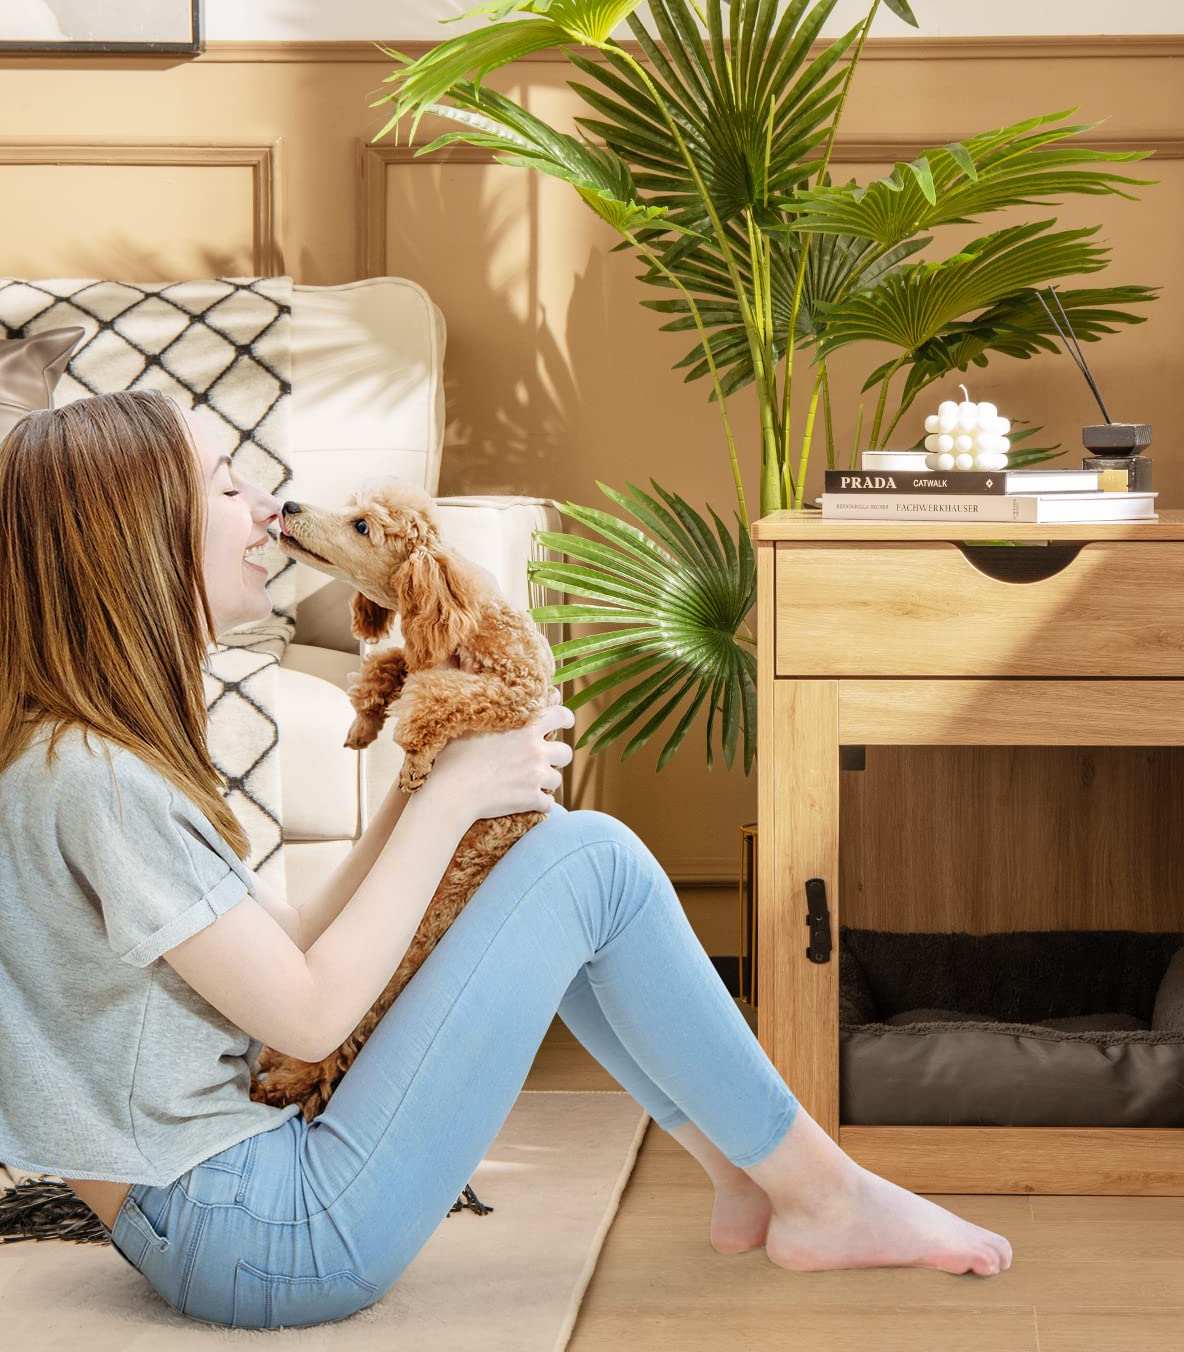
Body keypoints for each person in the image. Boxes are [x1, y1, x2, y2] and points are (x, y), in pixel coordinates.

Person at [0, 389, 1011, 1330]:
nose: (268, 506)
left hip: (209, 1217)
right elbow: (306, 1015)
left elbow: (293, 937)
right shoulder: (101, 782)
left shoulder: (75, 752)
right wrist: (453, 799)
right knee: (590, 862)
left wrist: (428, 783)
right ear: (135, 540)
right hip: (267, 1233)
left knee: (570, 859)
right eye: (229, 488)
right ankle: (821, 1195)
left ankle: (755, 1175)